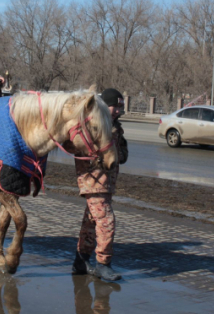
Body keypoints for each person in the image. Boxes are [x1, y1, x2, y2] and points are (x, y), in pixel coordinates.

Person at [72, 88, 128, 282]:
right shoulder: (92, 125)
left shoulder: (115, 126)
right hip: (93, 181)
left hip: (107, 183)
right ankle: (103, 264)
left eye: (121, 107)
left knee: (90, 223)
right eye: (115, 106)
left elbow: (122, 155)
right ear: (104, 105)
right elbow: (78, 149)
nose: (118, 110)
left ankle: (81, 261)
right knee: (106, 221)